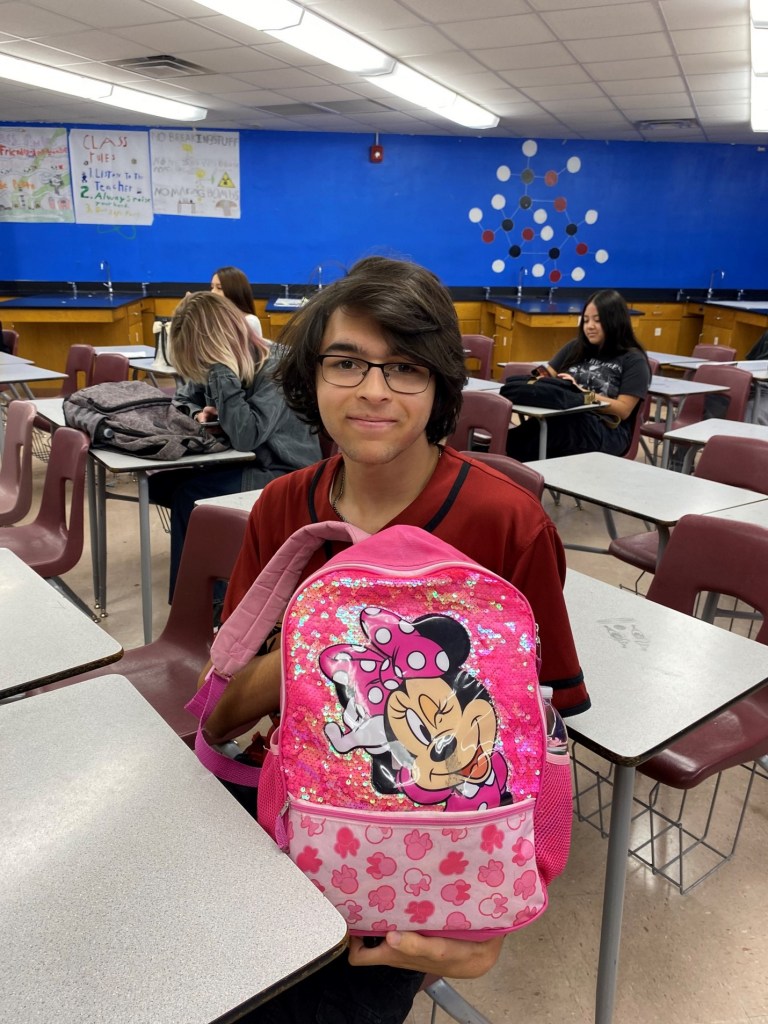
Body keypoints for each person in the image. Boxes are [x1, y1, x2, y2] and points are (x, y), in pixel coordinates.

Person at [196, 256, 589, 1024]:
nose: (373, 390)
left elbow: (544, 729)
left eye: (405, 368)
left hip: (428, 859)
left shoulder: (508, 524)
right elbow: (222, 716)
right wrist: (324, 648)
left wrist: (494, 925)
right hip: (291, 815)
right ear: (311, 378)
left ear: (442, 385)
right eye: (346, 362)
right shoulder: (283, 509)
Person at [147, 291, 320, 597]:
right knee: (160, 486)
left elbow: (246, 436)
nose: (202, 369)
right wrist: (202, 415)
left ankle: (199, 604)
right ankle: (206, 576)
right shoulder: (222, 363)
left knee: (191, 497)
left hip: (284, 470)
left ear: (216, 348)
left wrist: (221, 376)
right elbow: (183, 399)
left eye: (205, 361)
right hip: (246, 461)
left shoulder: (277, 366)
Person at [505, 288, 651, 462]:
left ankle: (499, 452)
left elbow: (623, 409)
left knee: (556, 428)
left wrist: (581, 394)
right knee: (542, 427)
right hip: (564, 420)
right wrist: (544, 379)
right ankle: (498, 451)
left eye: (598, 321)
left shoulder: (634, 360)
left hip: (607, 430)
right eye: (586, 320)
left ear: (615, 321)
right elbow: (547, 373)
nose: (589, 326)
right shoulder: (576, 347)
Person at [211, 265, 265, 339]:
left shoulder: (249, 321)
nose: (213, 292)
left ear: (234, 291)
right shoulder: (213, 318)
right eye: (212, 287)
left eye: (219, 288)